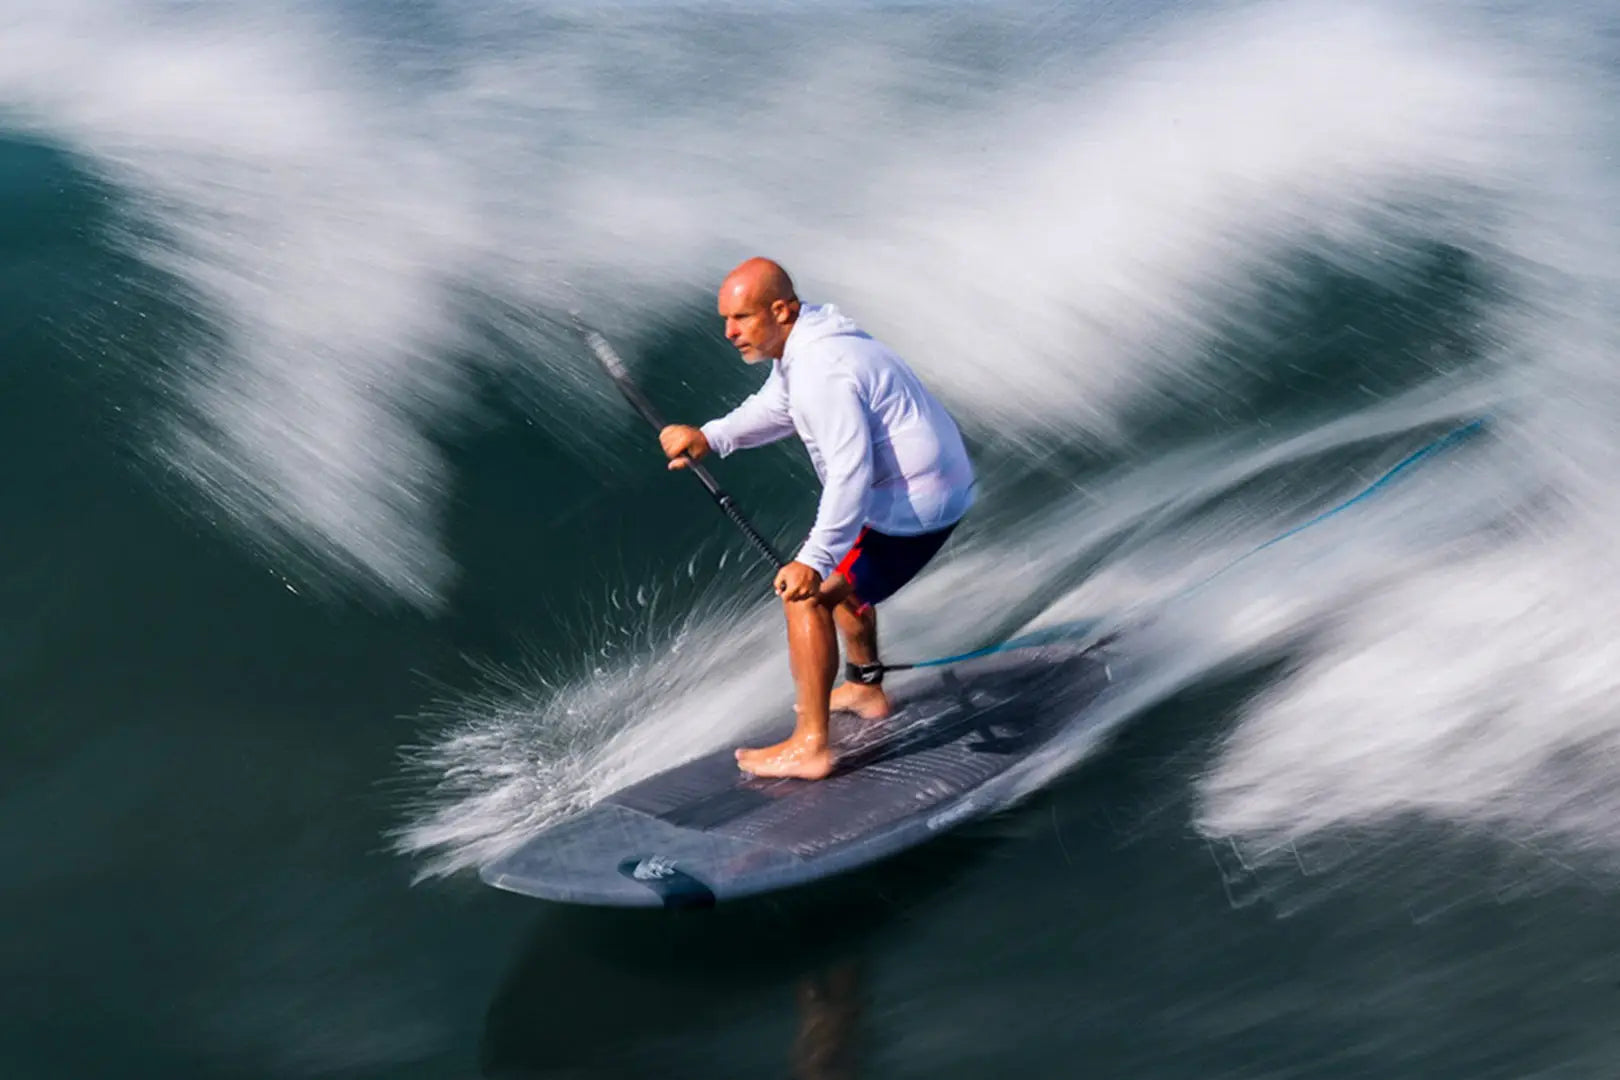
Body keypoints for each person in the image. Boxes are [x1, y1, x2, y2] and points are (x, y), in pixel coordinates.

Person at [659, 258, 975, 779]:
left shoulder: (821, 369)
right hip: (920, 492)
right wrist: (711, 437)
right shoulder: (809, 341)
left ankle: (811, 745)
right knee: (842, 590)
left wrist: (813, 558)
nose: (728, 332)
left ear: (780, 310)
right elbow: (777, 405)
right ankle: (867, 690)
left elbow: (851, 473)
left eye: (740, 318)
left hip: (914, 506)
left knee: (805, 597)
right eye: (725, 319)